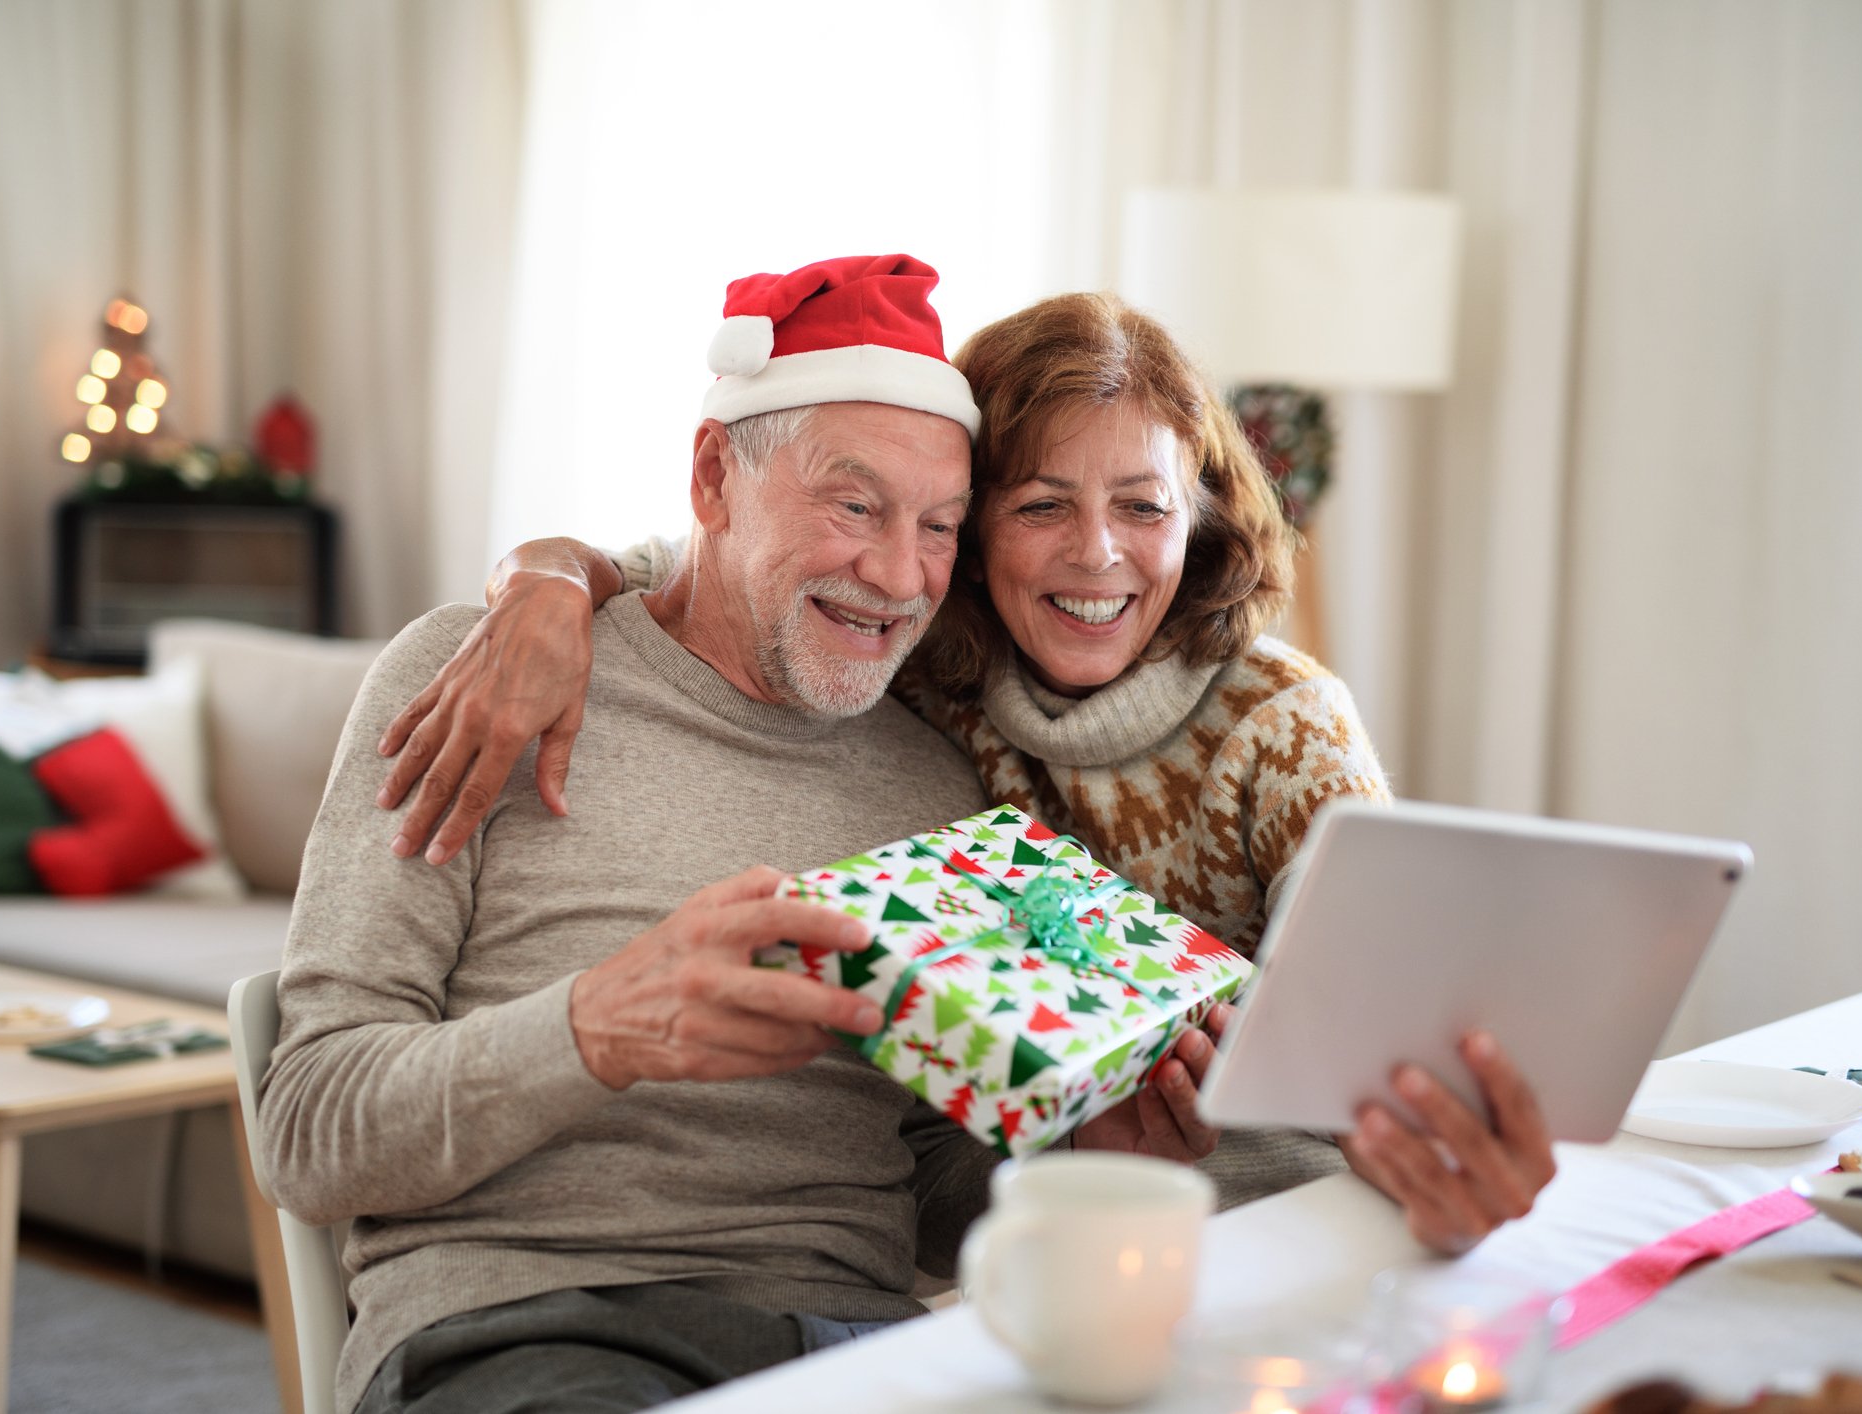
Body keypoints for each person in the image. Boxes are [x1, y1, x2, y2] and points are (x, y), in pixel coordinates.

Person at [379, 289, 1559, 1258]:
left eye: (1141, 507)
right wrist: (546, 574)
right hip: (1082, 1242)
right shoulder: (923, 686)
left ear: (1194, 521)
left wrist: (1437, 1169)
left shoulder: (1285, 722)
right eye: (1042, 505)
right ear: (978, 530)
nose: (1097, 554)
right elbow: (711, 562)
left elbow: (1396, 1031)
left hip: (1303, 1215)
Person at [260, 257, 1238, 1414]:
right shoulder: (479, 682)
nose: (896, 575)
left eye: (937, 526)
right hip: (543, 1327)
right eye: (854, 505)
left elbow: (924, 1183)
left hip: (865, 1353)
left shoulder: (937, 781)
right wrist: (596, 1026)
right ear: (715, 476)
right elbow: (311, 1129)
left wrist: (1078, 1154)